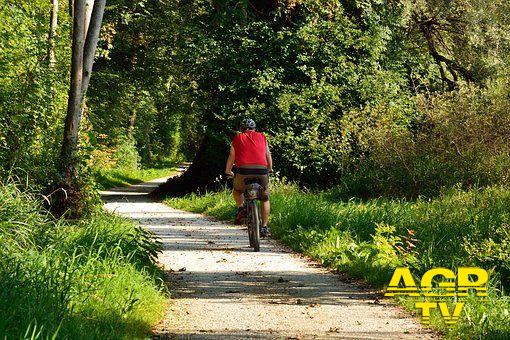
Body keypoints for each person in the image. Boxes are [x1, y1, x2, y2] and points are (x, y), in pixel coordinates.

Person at [225, 118, 272, 237]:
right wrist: (270, 168)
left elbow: (232, 155)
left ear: (242, 129)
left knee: (237, 191)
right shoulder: (262, 136)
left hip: (243, 171)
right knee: (265, 198)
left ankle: (241, 209)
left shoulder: (237, 138)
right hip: (261, 170)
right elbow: (267, 154)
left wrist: (228, 171)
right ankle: (264, 227)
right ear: (254, 128)